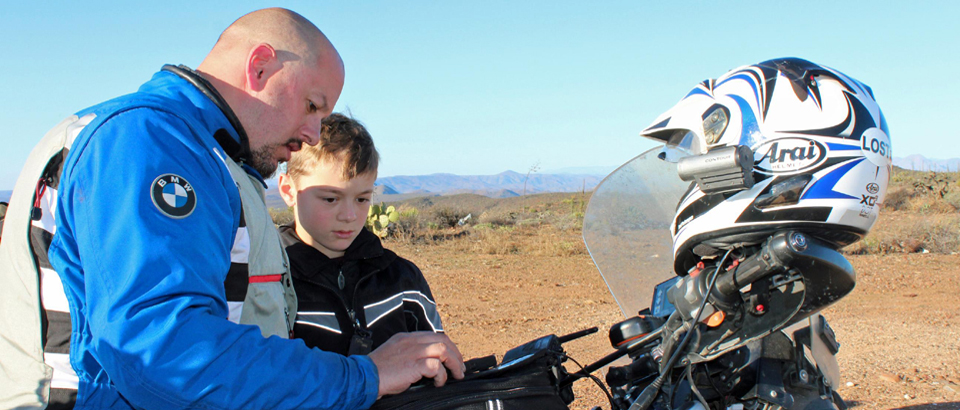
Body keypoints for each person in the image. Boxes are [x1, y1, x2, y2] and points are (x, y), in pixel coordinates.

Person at [1, 8, 463, 410]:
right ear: (260, 66)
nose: (314, 134)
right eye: (311, 105)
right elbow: (163, 354)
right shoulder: (149, 141)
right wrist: (365, 377)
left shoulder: (199, 151)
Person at [278, 113, 445, 355]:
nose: (349, 215)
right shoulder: (268, 281)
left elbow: (437, 363)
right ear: (288, 190)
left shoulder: (401, 279)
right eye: (330, 199)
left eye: (362, 199)